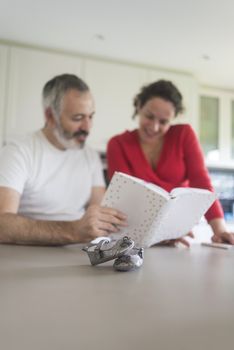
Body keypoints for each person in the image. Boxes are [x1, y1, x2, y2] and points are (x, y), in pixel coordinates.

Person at [0, 74, 127, 245]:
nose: (88, 127)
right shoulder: (18, 152)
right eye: (78, 118)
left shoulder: (89, 155)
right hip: (29, 252)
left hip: (78, 250)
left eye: (91, 116)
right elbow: (2, 224)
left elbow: (103, 211)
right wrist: (73, 231)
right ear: (50, 116)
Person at [107, 80, 234, 246]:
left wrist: (220, 230)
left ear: (173, 118)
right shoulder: (118, 144)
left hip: (175, 234)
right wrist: (158, 232)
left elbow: (202, 183)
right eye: (149, 116)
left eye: (164, 121)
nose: (154, 127)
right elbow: (123, 200)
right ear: (139, 106)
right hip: (132, 236)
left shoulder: (184, 135)